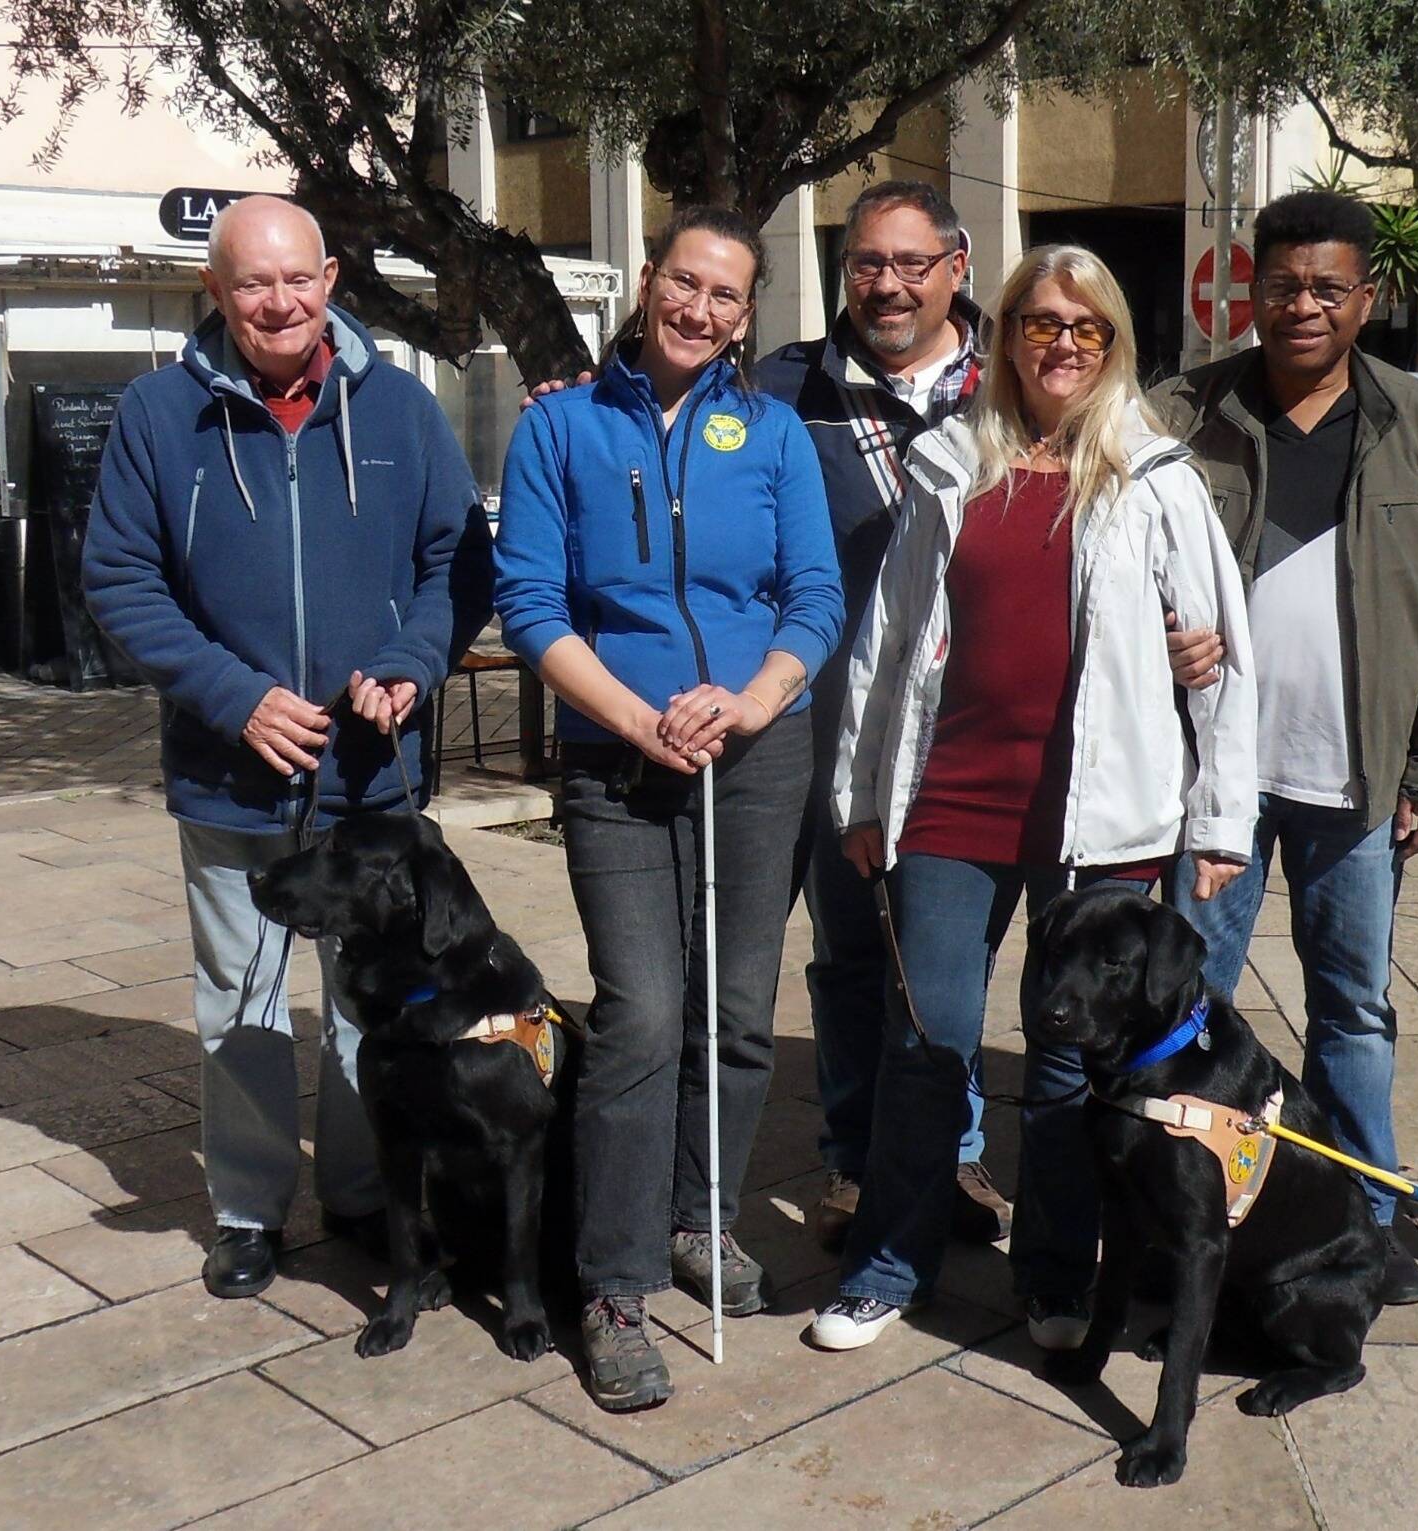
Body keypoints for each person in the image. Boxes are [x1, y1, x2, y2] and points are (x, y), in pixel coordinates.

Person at [810, 244, 1257, 1353]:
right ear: (1004, 334)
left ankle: (1056, 1279)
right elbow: (888, 638)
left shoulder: (1155, 477)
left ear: (1112, 343)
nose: (1062, 344)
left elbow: (1220, 657)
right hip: (952, 800)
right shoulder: (951, 463)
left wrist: (1219, 822)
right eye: (1040, 322)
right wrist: (862, 794)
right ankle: (888, 1265)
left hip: (1102, 816)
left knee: (1067, 1060)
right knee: (930, 1037)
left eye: (1085, 326)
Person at [82, 194, 493, 1302]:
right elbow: (119, 578)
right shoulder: (158, 414)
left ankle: (360, 1192)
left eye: (297, 278)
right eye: (253, 282)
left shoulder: (400, 405)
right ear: (214, 290)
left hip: (370, 777)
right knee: (242, 1001)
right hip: (232, 773)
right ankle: (248, 1209)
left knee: (369, 1002)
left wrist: (411, 660)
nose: (279, 302)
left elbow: (459, 561)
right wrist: (236, 698)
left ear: (331, 279)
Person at [494, 206, 843, 1413]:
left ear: (747, 316)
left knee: (736, 1014)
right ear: (647, 284)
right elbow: (531, 605)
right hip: (618, 764)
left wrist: (751, 701)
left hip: (757, 755)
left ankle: (703, 1216)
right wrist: (635, 719)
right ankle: (614, 1280)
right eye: (684, 283)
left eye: (725, 295)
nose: (699, 309)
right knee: (642, 1014)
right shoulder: (559, 426)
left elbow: (814, 596)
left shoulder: (775, 431)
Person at [1151, 189, 1418, 1306]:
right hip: (1216, 784)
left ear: (1365, 298)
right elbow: (1117, 573)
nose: (1304, 307)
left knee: (1353, 1009)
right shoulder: (1180, 415)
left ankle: (1362, 1221)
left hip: (1358, 781)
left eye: (1327, 289)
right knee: (1193, 1002)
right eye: (1284, 286)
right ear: (1251, 293)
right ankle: (1197, 1213)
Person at [751, 180, 1011, 1253]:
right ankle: (857, 1160)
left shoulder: (1016, 378)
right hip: (841, 729)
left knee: (953, 959)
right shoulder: (783, 388)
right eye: (867, 263)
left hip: (979, 728)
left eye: (912, 263)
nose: (888, 286)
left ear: (956, 266)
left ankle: (952, 1153)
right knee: (854, 954)